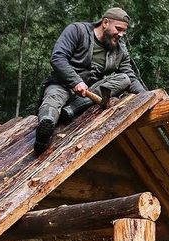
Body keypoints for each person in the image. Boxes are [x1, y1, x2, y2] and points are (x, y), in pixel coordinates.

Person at [34, 7, 146, 154]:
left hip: (90, 92)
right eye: (118, 29)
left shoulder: (120, 50)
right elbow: (58, 57)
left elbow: (130, 77)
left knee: (123, 79)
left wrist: (147, 96)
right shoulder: (77, 30)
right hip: (62, 84)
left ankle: (73, 108)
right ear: (105, 22)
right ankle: (43, 132)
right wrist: (75, 81)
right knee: (53, 100)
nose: (121, 34)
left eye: (124, 31)